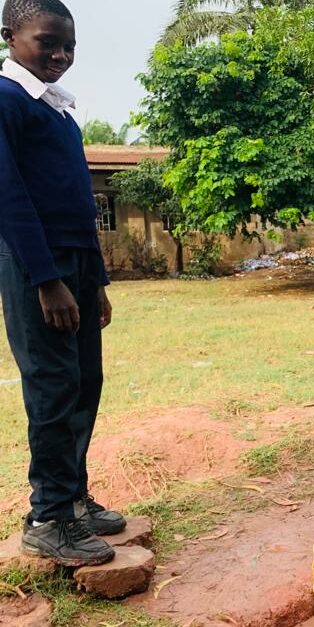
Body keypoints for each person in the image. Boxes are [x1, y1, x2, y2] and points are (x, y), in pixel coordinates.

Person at [0, 0, 125, 567]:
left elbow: (80, 205)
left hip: (75, 264)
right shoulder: (6, 100)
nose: (59, 54)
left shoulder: (58, 110)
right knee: (52, 388)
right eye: (46, 42)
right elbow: (9, 198)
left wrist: (95, 281)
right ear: (10, 36)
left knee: (83, 382)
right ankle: (48, 517)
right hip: (36, 266)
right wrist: (47, 280)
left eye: (68, 45)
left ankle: (73, 499)